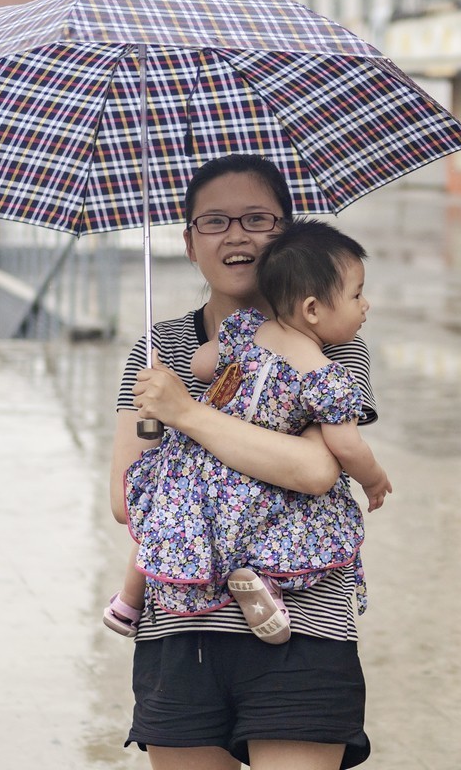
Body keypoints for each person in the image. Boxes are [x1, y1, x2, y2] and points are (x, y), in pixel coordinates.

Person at [109, 155, 378, 769]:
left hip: (304, 627)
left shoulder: (330, 341)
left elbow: (315, 470)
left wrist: (191, 414)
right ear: (187, 242)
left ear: (285, 233)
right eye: (214, 221)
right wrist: (174, 404)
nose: (237, 234)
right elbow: (127, 500)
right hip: (179, 628)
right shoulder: (158, 352)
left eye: (258, 218)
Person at [104, 219, 391, 646]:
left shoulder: (245, 330)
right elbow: (345, 445)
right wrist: (374, 479)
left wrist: (174, 386)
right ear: (312, 309)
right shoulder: (324, 374)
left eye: (257, 219)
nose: (365, 305)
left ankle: (127, 602)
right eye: (357, 294)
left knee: (163, 516)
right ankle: (262, 582)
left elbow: (203, 364)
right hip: (259, 471)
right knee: (271, 521)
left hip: (195, 459)